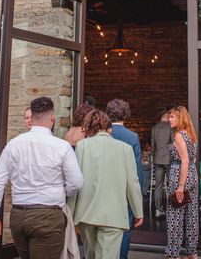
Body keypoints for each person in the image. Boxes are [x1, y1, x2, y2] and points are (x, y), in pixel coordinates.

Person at [0, 96, 83, 259]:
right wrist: (62, 191)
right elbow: (76, 182)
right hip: (49, 216)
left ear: (32, 117)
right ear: (52, 118)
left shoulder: (13, 144)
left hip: (19, 215)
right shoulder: (62, 147)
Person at [70, 109, 143, 259]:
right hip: (113, 215)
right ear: (109, 128)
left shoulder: (82, 146)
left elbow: (75, 181)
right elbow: (132, 184)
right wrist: (138, 211)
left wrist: (70, 212)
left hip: (86, 214)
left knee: (90, 255)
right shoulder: (125, 149)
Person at [106, 99, 142, 259]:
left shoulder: (103, 135)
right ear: (126, 115)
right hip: (124, 190)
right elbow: (136, 172)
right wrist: (138, 200)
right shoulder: (132, 137)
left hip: (104, 188)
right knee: (125, 229)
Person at [165, 105, 199, 259]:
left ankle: (173, 254)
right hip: (192, 175)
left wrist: (180, 185)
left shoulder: (179, 135)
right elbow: (193, 159)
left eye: (172, 117)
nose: (169, 119)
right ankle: (192, 252)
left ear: (180, 118)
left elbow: (184, 160)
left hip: (180, 175)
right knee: (191, 216)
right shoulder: (192, 135)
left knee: (175, 216)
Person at [150, 110, 172, 218]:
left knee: (158, 186)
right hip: (169, 160)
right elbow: (173, 144)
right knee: (171, 184)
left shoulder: (154, 128)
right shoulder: (170, 127)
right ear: (168, 117)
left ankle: (158, 210)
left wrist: (153, 158)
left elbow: (152, 146)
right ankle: (172, 209)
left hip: (157, 160)